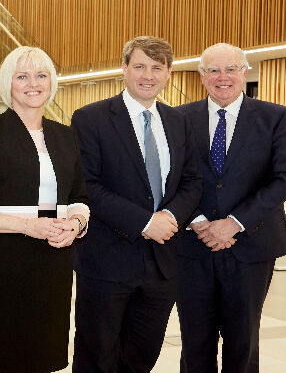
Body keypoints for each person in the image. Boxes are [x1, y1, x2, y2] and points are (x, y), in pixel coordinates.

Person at [0, 46, 89, 373]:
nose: (33, 84)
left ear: (52, 83)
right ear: (7, 83)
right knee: (5, 355)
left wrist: (77, 224)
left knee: (45, 355)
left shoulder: (66, 136)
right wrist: (28, 226)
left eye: (41, 76)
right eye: (22, 76)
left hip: (54, 261)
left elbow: (80, 195)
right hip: (2, 261)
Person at [70, 36, 202, 372]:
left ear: (169, 73)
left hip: (162, 264)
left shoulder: (179, 121)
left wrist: (170, 216)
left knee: (142, 355)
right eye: (140, 66)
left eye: (157, 68)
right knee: (97, 355)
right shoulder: (91, 118)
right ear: (124, 69)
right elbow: (88, 185)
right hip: (106, 261)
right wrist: (144, 222)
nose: (148, 75)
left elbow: (191, 181)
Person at [176, 43, 286, 372]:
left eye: (231, 69)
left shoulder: (274, 117)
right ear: (202, 77)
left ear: (244, 72)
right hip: (192, 246)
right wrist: (199, 221)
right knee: (194, 340)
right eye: (213, 70)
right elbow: (171, 179)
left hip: (251, 246)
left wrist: (234, 222)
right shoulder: (179, 118)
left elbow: (284, 177)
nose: (223, 77)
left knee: (242, 340)